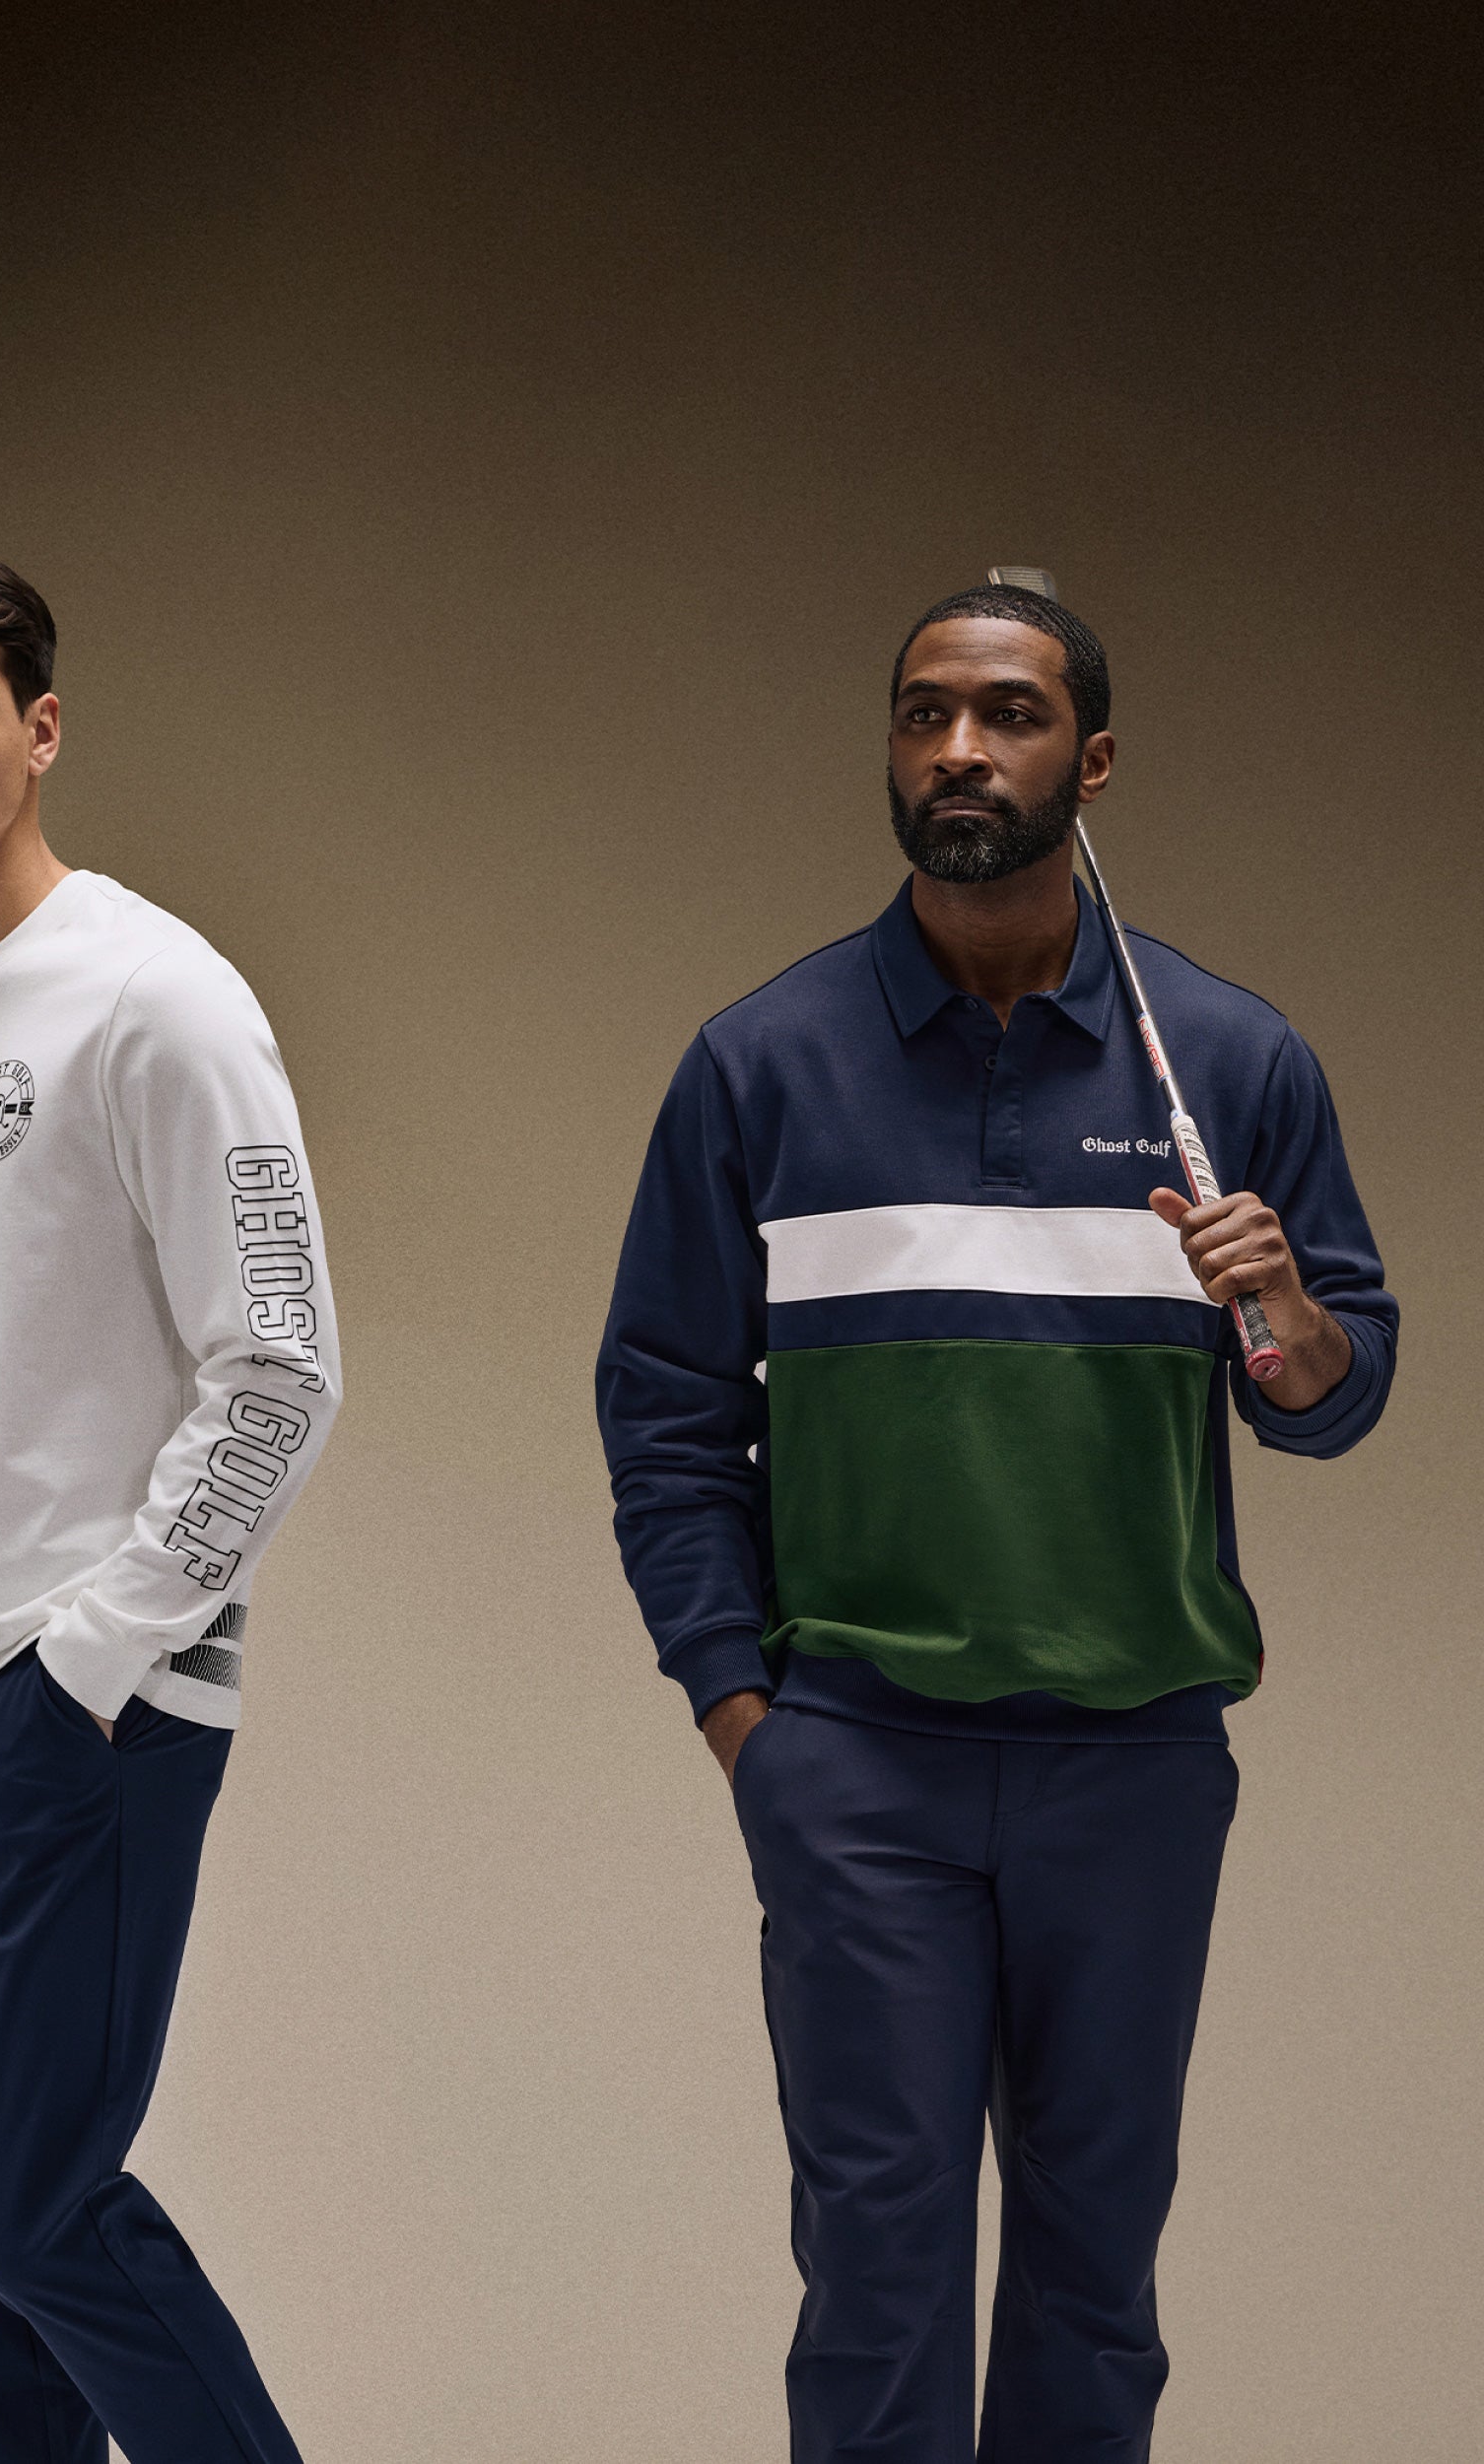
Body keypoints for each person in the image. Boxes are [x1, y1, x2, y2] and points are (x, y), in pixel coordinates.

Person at [595, 580, 1396, 2459]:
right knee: (875, 2277)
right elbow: (665, 1411)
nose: (962, 748)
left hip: (1134, 1760)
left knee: (1092, 2282)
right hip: (858, 1765)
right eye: (926, 713)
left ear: (1091, 760)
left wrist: (1275, 1309)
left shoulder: (1229, 1061)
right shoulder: (762, 1063)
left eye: (1013, 716)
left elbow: (1334, 1396)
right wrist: (744, 1718)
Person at [0, 546, 339, 2464]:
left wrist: (84, 1664)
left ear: (38, 728)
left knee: (44, 2214)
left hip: (79, 1719)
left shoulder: (154, 998)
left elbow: (281, 1364)